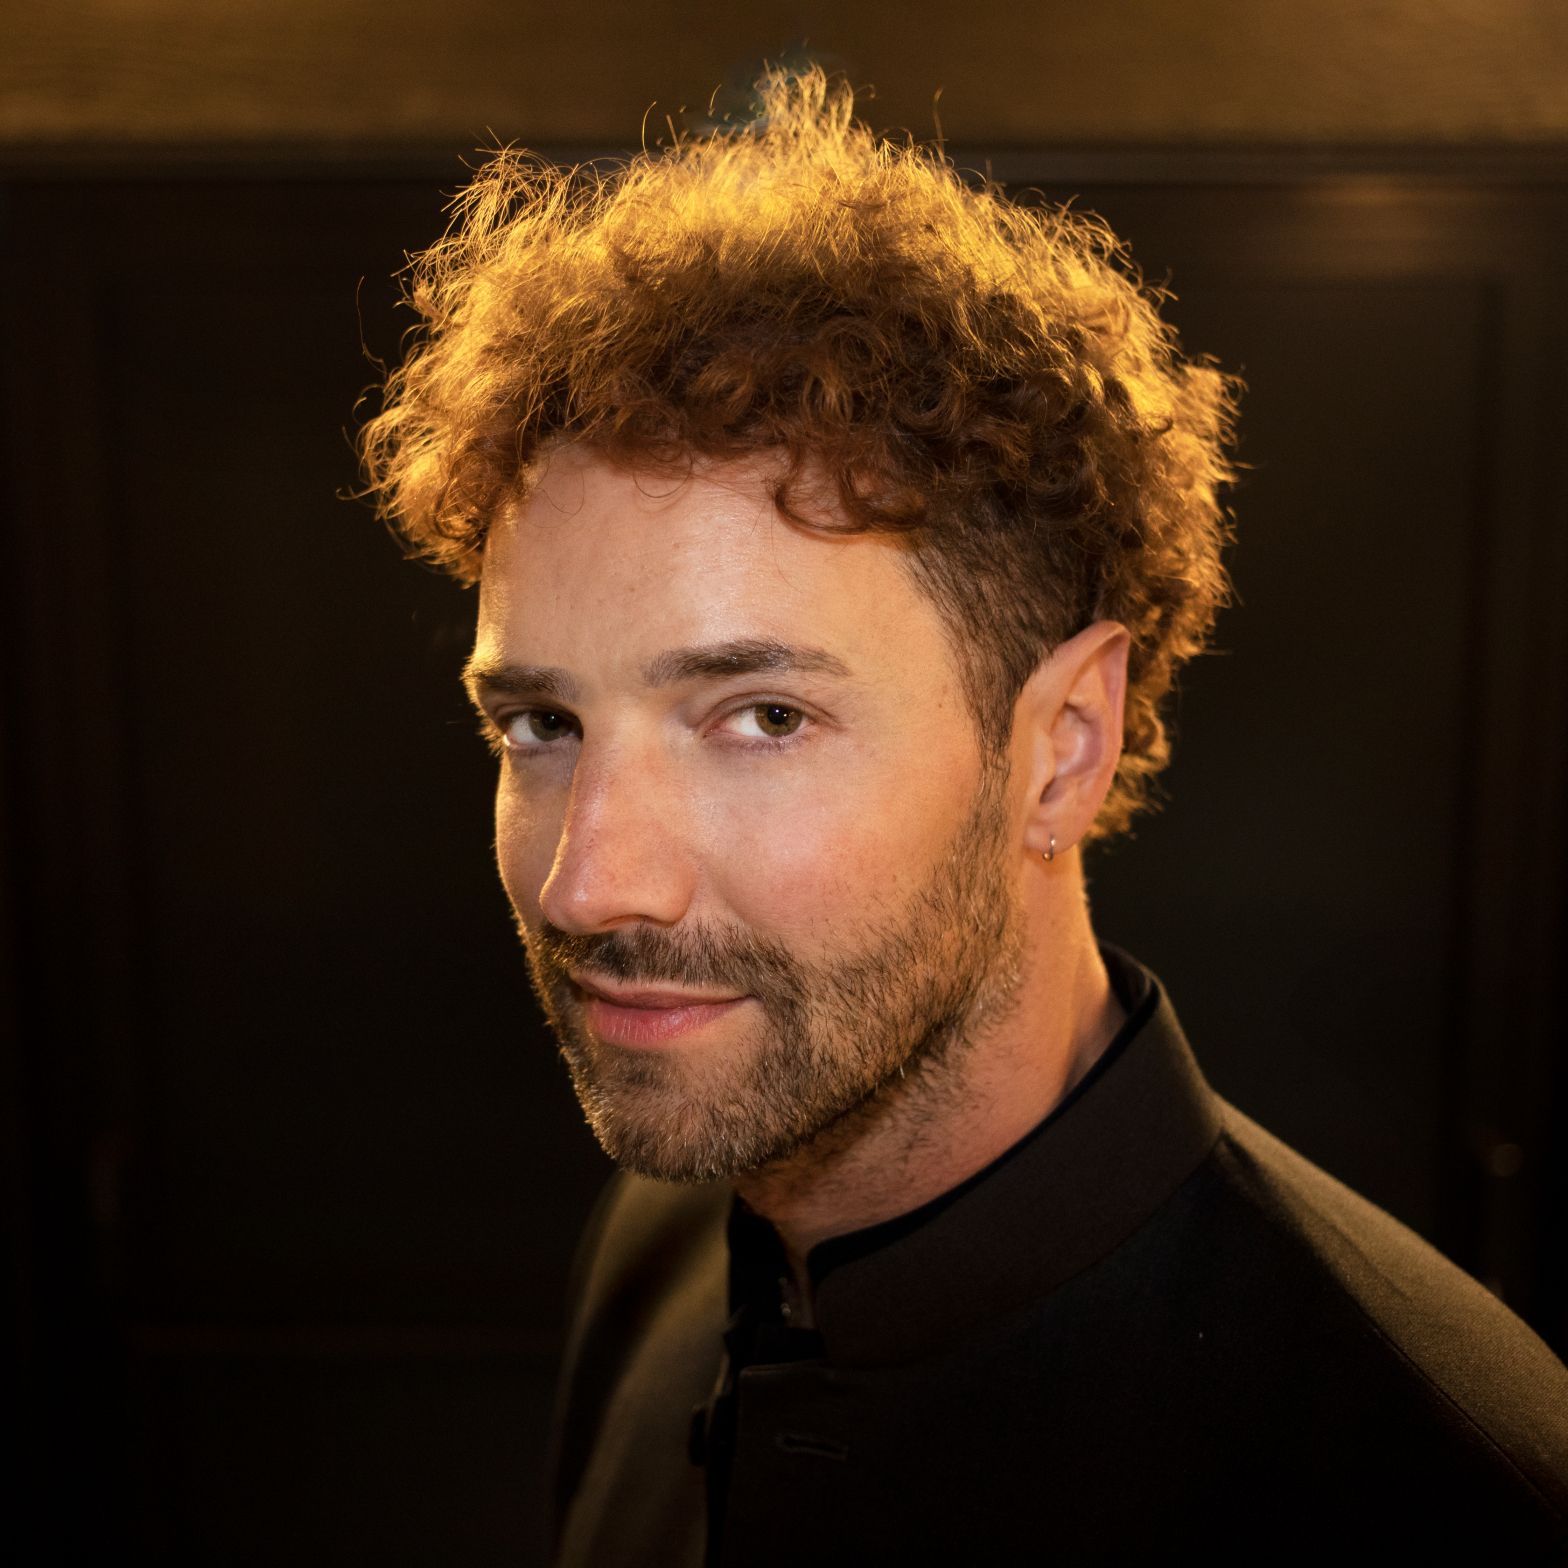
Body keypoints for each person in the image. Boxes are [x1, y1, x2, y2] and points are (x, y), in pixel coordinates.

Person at [359, 66, 1568, 1566]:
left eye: (763, 718)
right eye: (542, 726)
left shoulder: (1444, 1484)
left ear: (1062, 749)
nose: (588, 883)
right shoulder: (659, 1242)